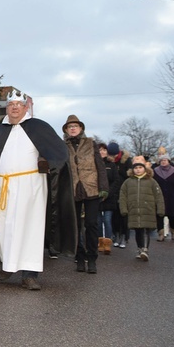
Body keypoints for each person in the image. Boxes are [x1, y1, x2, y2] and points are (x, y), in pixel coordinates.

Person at [0, 89, 73, 291]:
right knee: (6, 228)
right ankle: (9, 265)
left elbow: (59, 153)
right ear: (7, 107)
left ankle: (29, 275)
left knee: (30, 229)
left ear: (26, 107)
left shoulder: (38, 127)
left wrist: (47, 163)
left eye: (18, 105)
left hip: (32, 187)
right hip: (5, 188)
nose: (14, 108)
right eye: (11, 104)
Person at [63, 114, 108, 274]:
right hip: (73, 189)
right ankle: (80, 258)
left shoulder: (91, 143)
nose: (73, 128)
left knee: (91, 224)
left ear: (81, 128)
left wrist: (104, 187)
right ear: (66, 130)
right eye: (70, 126)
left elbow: (100, 166)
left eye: (76, 126)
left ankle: (92, 258)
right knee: (75, 226)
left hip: (91, 187)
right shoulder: (63, 145)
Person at [119, 155, 164, 261]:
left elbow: (159, 196)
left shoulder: (152, 181)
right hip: (134, 210)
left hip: (148, 210)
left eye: (140, 167)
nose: (138, 170)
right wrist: (124, 209)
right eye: (135, 168)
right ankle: (139, 248)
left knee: (146, 230)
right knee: (138, 231)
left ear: (145, 168)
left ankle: (145, 249)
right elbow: (122, 196)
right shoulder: (128, 182)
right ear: (132, 169)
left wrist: (160, 210)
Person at [152, 149, 174, 241]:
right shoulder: (155, 171)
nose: (163, 162)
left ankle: (173, 231)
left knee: (172, 216)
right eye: (161, 160)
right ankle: (161, 233)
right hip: (159, 197)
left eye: (165, 160)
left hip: (172, 197)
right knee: (159, 216)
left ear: (168, 161)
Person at [107, 142, 132, 248]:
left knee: (124, 215)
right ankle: (115, 235)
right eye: (112, 155)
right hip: (114, 192)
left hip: (124, 191)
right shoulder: (110, 161)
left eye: (115, 155)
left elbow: (129, 176)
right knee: (114, 216)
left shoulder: (126, 160)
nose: (114, 157)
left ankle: (124, 236)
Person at [97, 143, 120, 254]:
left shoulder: (112, 165)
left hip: (109, 198)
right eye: (100, 150)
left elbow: (116, 181)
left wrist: (108, 193)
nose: (102, 152)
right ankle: (100, 242)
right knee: (98, 221)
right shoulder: (94, 164)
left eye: (104, 150)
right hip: (96, 197)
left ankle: (107, 243)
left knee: (107, 220)